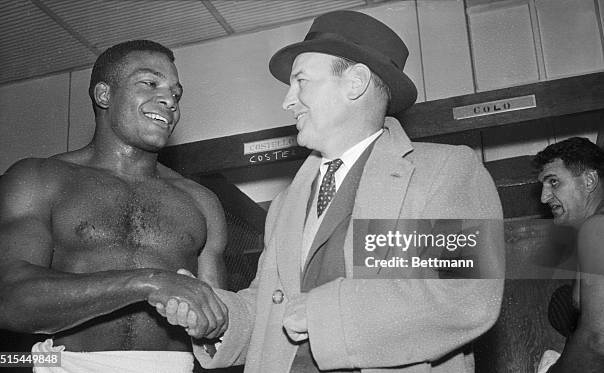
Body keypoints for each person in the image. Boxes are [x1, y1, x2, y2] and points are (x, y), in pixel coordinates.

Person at [158, 10, 504, 372]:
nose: (288, 101)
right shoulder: (284, 204)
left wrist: (327, 314)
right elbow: (268, 308)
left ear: (355, 82)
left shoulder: (442, 173)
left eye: (301, 81)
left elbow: (466, 297)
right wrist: (215, 316)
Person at [0, 40, 228, 373]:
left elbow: (216, 326)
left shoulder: (201, 201)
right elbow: (7, 299)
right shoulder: (39, 179)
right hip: (68, 365)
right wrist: (148, 282)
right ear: (104, 95)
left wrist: (210, 325)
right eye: (150, 84)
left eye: (176, 94)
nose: (169, 101)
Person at [533, 137, 604, 373]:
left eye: (554, 182)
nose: (544, 198)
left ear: (590, 180)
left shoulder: (597, 227)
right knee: (562, 304)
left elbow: (598, 340)